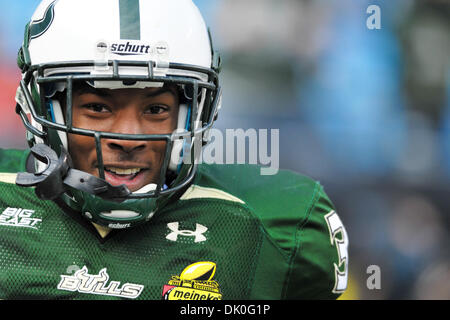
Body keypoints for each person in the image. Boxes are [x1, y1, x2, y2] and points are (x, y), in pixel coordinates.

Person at [0, 0, 348, 300]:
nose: (128, 137)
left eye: (155, 110)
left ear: (193, 114)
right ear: (41, 110)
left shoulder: (271, 227)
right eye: (98, 108)